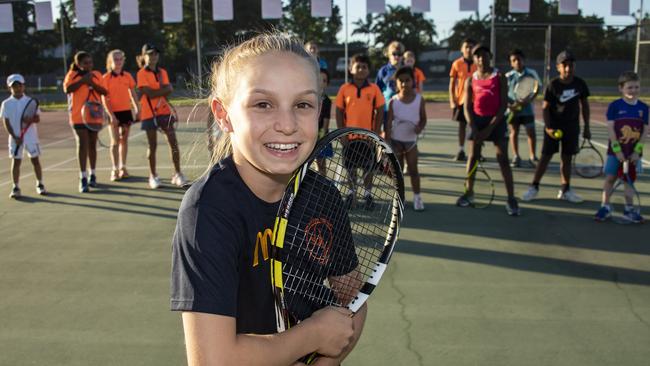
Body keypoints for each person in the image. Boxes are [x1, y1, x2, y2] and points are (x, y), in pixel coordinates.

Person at [170, 33, 365, 366]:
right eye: (263, 104)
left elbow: (354, 300)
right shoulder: (209, 212)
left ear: (319, 109)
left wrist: (328, 359)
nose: (287, 125)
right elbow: (213, 361)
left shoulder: (323, 196)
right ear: (223, 113)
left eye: (302, 105)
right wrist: (313, 335)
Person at [456, 44, 520, 216]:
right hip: (477, 121)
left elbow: (503, 105)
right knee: (472, 157)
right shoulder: (471, 79)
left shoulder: (499, 77)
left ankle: (511, 198)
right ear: (475, 59)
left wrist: (490, 128)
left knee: (503, 159)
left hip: (496, 121)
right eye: (477, 56)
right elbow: (467, 107)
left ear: (489, 57)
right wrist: (474, 127)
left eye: (484, 55)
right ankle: (469, 193)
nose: (481, 58)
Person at [521, 50, 591, 203]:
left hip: (572, 128)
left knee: (567, 158)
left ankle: (565, 190)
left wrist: (586, 127)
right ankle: (534, 187)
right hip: (553, 127)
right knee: (545, 157)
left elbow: (584, 105)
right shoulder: (553, 85)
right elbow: (545, 108)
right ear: (558, 67)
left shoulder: (580, 84)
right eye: (564, 65)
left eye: (570, 65)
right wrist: (548, 128)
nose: (568, 68)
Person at [594, 71, 647, 223]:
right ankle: (605, 207)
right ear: (621, 88)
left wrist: (637, 152)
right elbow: (611, 129)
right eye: (630, 87)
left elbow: (645, 132)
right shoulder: (614, 106)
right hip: (615, 152)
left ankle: (629, 210)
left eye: (636, 87)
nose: (633, 90)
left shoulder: (644, 108)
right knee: (610, 178)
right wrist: (617, 151)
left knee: (628, 181)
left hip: (633, 154)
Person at [336, 53, 385, 210]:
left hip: (367, 138)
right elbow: (338, 111)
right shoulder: (344, 89)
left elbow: (380, 109)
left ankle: (367, 195)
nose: (361, 69)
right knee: (350, 168)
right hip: (350, 139)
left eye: (364, 67)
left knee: (368, 168)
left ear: (368, 70)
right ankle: (351, 193)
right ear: (351, 69)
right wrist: (342, 133)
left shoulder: (374, 89)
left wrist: (375, 133)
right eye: (358, 66)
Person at [136, 44, 188, 189]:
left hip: (164, 111)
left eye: (156, 54)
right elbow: (153, 93)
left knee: (173, 142)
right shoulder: (141, 74)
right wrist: (164, 90)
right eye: (150, 54)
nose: (153, 57)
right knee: (152, 145)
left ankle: (177, 174)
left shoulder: (162, 72)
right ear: (144, 56)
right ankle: (153, 176)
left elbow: (166, 90)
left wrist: (162, 90)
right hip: (148, 113)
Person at [63, 51, 108, 193]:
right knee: (82, 144)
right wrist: (83, 81)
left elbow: (104, 91)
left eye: (90, 62)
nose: (89, 65)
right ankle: (82, 177)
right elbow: (67, 89)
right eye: (85, 63)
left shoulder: (97, 75)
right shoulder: (72, 75)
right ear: (78, 64)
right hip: (78, 116)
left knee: (92, 145)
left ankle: (92, 174)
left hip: (93, 114)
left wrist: (92, 83)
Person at [385, 66, 427, 211]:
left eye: (407, 80)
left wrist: (420, 128)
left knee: (413, 170)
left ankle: (417, 197)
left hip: (411, 143)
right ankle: (399, 198)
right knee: (398, 173)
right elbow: (388, 123)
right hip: (396, 142)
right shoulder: (393, 101)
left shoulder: (419, 100)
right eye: (400, 81)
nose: (404, 84)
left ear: (413, 81)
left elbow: (423, 119)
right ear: (396, 83)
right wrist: (388, 143)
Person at [2, 74, 46, 198]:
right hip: (15, 138)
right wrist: (15, 136)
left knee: (35, 160)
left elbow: (37, 119)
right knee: (16, 162)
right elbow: (6, 122)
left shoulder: (30, 101)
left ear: (23, 86)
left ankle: (40, 184)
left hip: (31, 137)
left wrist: (31, 120)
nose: (17, 88)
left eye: (19, 85)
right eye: (14, 86)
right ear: (9, 88)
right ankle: (15, 187)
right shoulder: (6, 104)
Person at [102, 49, 139, 181]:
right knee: (115, 141)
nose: (118, 62)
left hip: (126, 112)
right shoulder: (105, 78)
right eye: (115, 59)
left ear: (123, 60)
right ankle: (114, 169)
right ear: (110, 62)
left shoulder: (127, 76)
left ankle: (123, 167)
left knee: (124, 140)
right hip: (112, 113)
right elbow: (104, 98)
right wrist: (111, 115)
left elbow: (133, 93)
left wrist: (136, 108)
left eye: (120, 59)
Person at [506, 49, 541, 168]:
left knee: (531, 133)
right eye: (513, 60)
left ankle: (532, 157)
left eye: (519, 59)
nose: (517, 62)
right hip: (513, 110)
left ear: (523, 60)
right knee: (513, 132)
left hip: (527, 110)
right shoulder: (508, 76)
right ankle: (516, 156)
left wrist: (528, 100)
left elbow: (537, 89)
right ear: (511, 63)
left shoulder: (532, 73)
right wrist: (511, 105)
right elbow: (503, 93)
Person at [449, 38, 477, 161]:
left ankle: (477, 151)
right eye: (466, 47)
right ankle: (461, 150)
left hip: (477, 101)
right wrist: (452, 100)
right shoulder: (456, 64)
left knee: (476, 125)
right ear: (462, 49)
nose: (469, 49)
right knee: (462, 126)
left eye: (471, 47)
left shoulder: (478, 63)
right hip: (461, 100)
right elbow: (451, 84)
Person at [375, 41, 404, 135]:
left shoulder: (406, 70)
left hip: (402, 108)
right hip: (387, 108)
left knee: (401, 134)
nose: (397, 57)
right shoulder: (383, 70)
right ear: (389, 55)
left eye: (399, 54)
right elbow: (377, 89)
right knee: (386, 133)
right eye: (394, 54)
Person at [316, 68, 333, 175]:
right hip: (309, 135)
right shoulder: (309, 97)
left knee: (321, 164)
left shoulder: (326, 101)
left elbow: (326, 119)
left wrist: (321, 136)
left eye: (324, 80)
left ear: (327, 84)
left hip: (320, 136)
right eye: (319, 79)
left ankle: (321, 186)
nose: (321, 82)